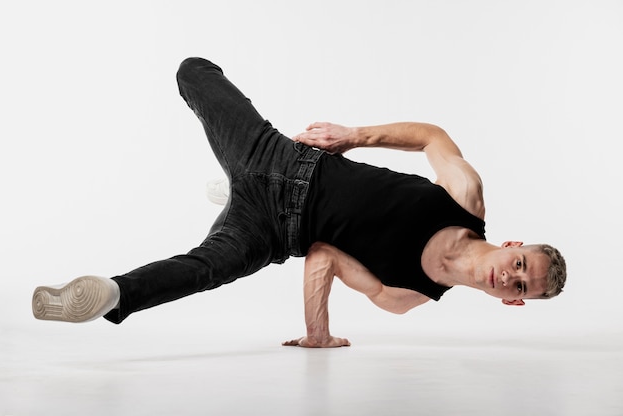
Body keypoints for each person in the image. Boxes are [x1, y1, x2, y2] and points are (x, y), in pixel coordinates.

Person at [32, 57, 567, 347]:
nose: (509, 277)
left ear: (512, 302)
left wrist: (317, 333)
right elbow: (433, 136)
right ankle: (229, 186)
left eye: (521, 287)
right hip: (285, 162)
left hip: (272, 233)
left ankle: (108, 294)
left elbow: (324, 257)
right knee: (194, 71)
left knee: (204, 270)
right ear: (514, 246)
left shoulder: (408, 297)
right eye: (520, 265)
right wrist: (353, 134)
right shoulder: (465, 200)